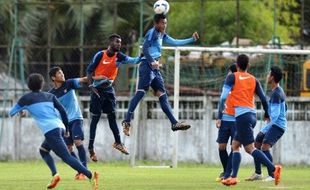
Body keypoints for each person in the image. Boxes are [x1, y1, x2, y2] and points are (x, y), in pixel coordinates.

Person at [9, 73, 99, 190]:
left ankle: (91, 176)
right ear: (42, 84)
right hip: (60, 126)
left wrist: (22, 110)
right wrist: (66, 129)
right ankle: (55, 175)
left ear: (29, 85)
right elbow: (62, 111)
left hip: (51, 131)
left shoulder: (26, 98)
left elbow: (11, 112)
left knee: (66, 157)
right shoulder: (49, 96)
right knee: (43, 150)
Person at [122, 13, 199, 136]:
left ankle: (174, 123)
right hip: (147, 66)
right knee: (141, 93)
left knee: (162, 95)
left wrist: (191, 39)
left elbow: (175, 42)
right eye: (163, 23)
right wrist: (152, 61)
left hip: (154, 68)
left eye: (166, 23)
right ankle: (126, 121)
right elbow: (145, 49)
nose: (165, 25)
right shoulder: (151, 33)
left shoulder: (161, 34)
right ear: (156, 23)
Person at [218, 54, 282, 186]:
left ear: (237, 65)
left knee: (250, 149)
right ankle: (233, 177)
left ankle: (273, 169)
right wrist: (266, 114)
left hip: (242, 117)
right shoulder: (253, 79)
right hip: (252, 115)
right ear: (248, 66)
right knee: (235, 145)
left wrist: (221, 107)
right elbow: (264, 99)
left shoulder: (232, 77)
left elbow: (223, 97)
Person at [86, 34, 142, 161]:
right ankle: (90, 148)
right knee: (95, 120)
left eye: (120, 42)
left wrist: (143, 57)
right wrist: (91, 86)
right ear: (110, 43)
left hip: (109, 90)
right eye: (117, 42)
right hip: (97, 91)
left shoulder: (119, 57)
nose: (119, 44)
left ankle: (118, 143)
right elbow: (89, 70)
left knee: (112, 117)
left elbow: (133, 61)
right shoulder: (100, 55)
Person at [245, 66, 287, 182]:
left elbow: (276, 116)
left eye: (269, 74)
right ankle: (258, 173)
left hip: (277, 126)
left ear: (272, 77)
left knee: (264, 146)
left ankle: (273, 175)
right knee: (257, 143)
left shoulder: (276, 94)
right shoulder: (276, 91)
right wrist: (268, 116)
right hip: (274, 124)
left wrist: (266, 126)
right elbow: (284, 108)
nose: (267, 76)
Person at [49, 67, 88, 180]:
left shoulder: (69, 84)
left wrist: (92, 76)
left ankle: (84, 170)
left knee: (78, 142)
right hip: (64, 124)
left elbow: (83, 80)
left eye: (62, 72)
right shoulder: (51, 94)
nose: (62, 74)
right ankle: (80, 171)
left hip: (76, 118)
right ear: (53, 78)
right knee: (69, 149)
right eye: (59, 73)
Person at [215, 64, 237, 182]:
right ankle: (226, 170)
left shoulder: (240, 86)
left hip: (237, 121)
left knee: (235, 147)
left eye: (229, 72)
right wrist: (219, 117)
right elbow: (221, 102)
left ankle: (228, 173)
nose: (228, 75)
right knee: (221, 147)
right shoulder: (226, 86)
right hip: (225, 120)